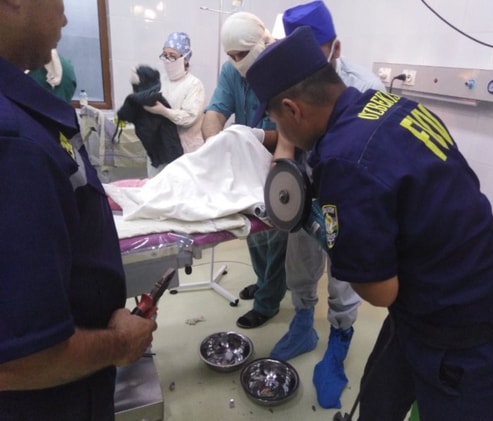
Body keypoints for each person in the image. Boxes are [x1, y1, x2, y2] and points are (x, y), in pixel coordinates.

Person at [246, 26, 493, 420]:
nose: (283, 132)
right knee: (378, 403)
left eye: (278, 122)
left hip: (467, 343)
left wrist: (320, 228)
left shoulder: (345, 161)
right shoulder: (393, 106)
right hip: (430, 307)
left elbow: (380, 292)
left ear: (293, 109)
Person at [0, 1, 157, 420]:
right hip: (50, 401)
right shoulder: (14, 144)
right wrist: (120, 344)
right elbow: (19, 359)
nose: (66, 17)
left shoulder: (25, 119)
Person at [268, 0, 387, 409]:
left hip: (349, 192)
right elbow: (286, 137)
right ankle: (303, 324)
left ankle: (339, 339)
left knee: (344, 271)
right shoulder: (288, 78)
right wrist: (281, 183)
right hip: (307, 187)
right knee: (299, 259)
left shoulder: (366, 88)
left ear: (335, 48)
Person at [201, 11, 289, 329]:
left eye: (242, 54)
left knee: (275, 236)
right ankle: (264, 281)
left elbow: (292, 133)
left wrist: (257, 136)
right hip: (247, 164)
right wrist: (215, 145)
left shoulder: (284, 70)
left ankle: (268, 302)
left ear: (260, 44)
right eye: (231, 55)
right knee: (252, 230)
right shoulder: (231, 72)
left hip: (281, 161)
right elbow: (215, 112)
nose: (237, 61)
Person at [143, 31, 205, 176]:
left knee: (181, 186)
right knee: (157, 185)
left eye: (172, 56)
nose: (167, 60)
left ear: (185, 59)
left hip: (185, 152)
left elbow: (189, 118)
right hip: (159, 151)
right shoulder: (160, 81)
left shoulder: (194, 85)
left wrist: (164, 111)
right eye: (165, 55)